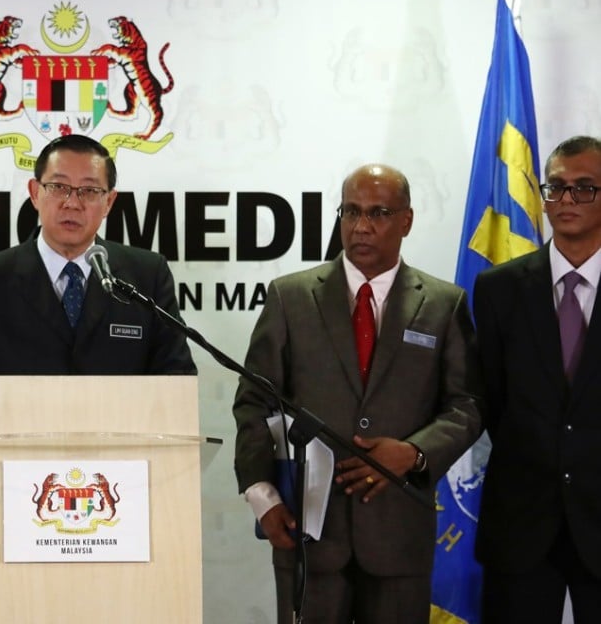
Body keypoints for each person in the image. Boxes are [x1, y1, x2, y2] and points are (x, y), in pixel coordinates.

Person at [232, 164, 482, 623]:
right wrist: (262, 496)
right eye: (351, 211)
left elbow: (467, 405)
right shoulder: (291, 297)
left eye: (379, 213)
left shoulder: (445, 305)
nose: (361, 226)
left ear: (406, 220)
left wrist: (415, 453)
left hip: (398, 535)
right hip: (306, 532)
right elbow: (254, 401)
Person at [0, 134, 196, 421]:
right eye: (59, 187)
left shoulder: (146, 275)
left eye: (89, 191)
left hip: (119, 461)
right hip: (17, 460)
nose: (72, 203)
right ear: (35, 192)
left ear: (109, 202)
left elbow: (177, 380)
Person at [475, 135, 601, 623]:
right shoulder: (497, 289)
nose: (566, 200)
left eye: (584, 188)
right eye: (556, 188)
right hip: (522, 521)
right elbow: (491, 398)